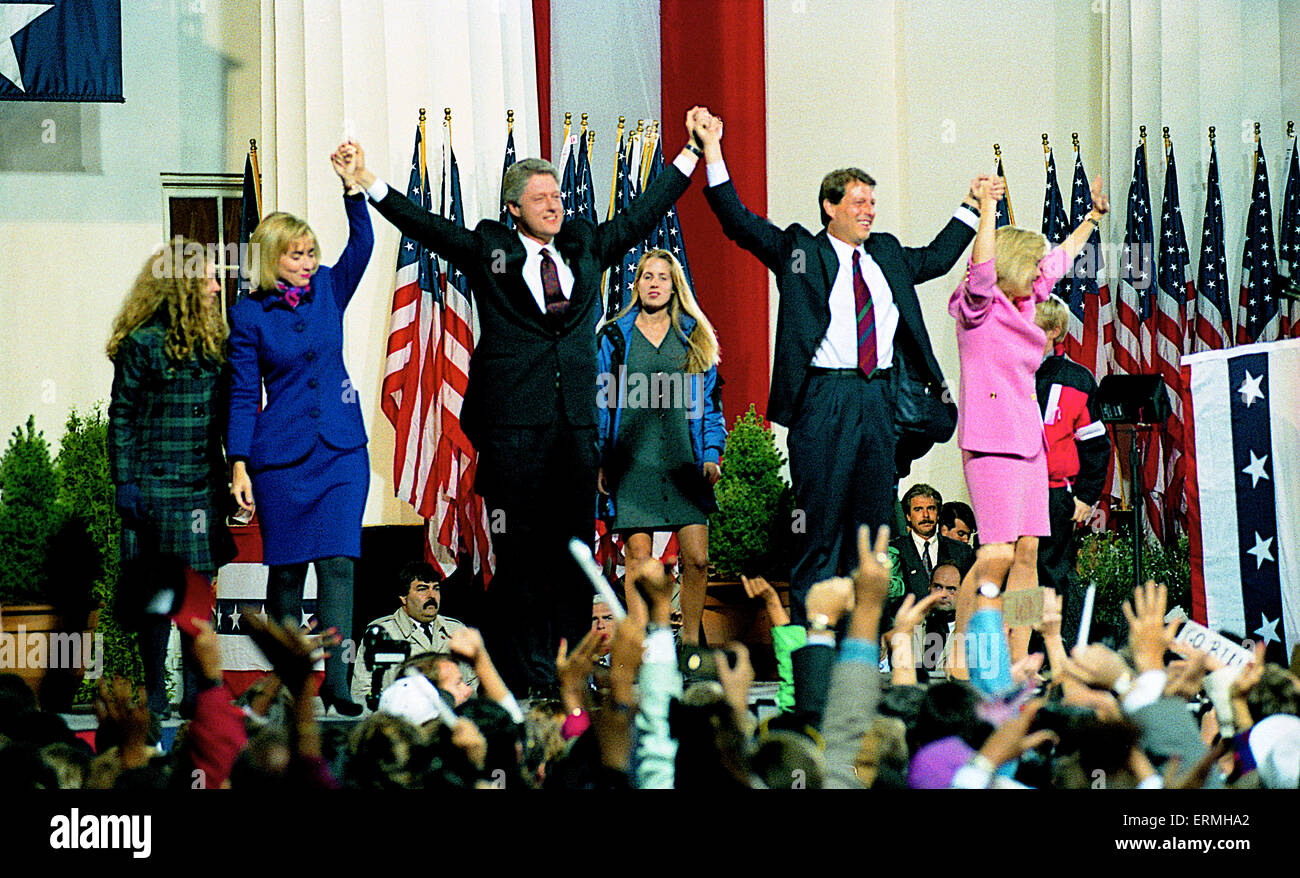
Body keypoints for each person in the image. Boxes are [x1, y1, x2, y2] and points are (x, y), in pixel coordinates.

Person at [340, 109, 710, 697]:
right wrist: (370, 183)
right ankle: (520, 677)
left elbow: (642, 217)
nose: (554, 204)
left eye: (557, 195)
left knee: (572, 557)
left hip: (574, 433)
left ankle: (568, 674)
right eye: (540, 197)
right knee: (519, 564)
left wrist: (690, 153)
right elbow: (430, 227)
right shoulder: (490, 246)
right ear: (514, 207)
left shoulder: (584, 243)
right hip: (513, 430)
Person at [696, 113, 985, 623]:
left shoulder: (888, 254)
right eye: (857, 202)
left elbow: (938, 258)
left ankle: (863, 650)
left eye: (872, 202)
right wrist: (712, 150)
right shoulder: (799, 251)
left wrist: (973, 204)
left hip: (879, 402)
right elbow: (737, 221)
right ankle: (816, 652)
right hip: (824, 401)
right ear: (829, 207)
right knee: (821, 533)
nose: (868, 211)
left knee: (871, 537)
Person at [227, 145, 375, 716]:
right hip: (281, 458)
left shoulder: (330, 291)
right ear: (271, 259)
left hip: (340, 452)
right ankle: (293, 683)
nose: (308, 262)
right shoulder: (249, 315)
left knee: (339, 564)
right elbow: (243, 393)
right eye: (296, 256)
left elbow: (361, 245)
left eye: (311, 252)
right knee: (286, 571)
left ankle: (338, 683)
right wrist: (238, 462)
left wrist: (351, 190)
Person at [949, 174, 1108, 659]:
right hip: (991, 443)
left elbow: (1060, 259)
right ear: (1012, 263)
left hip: (1029, 446)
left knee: (1027, 555)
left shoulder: (1027, 304)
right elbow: (981, 269)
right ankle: (968, 653)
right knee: (994, 554)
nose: (1041, 269)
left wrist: (1092, 220)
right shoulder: (977, 306)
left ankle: (1017, 656)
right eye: (1032, 261)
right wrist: (987, 209)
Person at [107, 243, 236, 718]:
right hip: (154, 486)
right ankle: (155, 689)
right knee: (159, 596)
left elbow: (226, 417)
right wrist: (126, 481)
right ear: (181, 285)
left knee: (197, 594)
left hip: (200, 486)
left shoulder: (216, 339)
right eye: (208, 278)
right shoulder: (142, 342)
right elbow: (121, 415)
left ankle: (197, 691)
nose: (218, 286)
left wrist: (237, 473)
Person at [596, 248, 725, 646]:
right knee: (638, 560)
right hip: (632, 463)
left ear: (674, 286)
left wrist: (710, 454)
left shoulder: (693, 335)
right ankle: (642, 646)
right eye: (648, 277)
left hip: (683, 463)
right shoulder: (614, 337)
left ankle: (688, 646)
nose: (654, 284)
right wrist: (600, 458)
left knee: (698, 559)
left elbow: (710, 403)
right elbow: (601, 401)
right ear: (636, 285)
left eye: (662, 277)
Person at [1033, 297, 1111, 642]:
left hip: (1055, 495)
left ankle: (1055, 646)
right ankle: (1025, 644)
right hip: (1015, 489)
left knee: (1053, 570)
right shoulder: (1009, 370)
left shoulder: (1077, 379)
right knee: (1021, 569)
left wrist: (1085, 495)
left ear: (1054, 331)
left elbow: (1095, 444)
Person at [350, 562, 478, 709]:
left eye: (436, 589)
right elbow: (362, 692)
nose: (432, 596)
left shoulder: (456, 630)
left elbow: (471, 685)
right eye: (422, 589)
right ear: (403, 597)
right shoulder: (381, 633)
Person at [890, 483, 973, 607]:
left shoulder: (961, 551)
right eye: (918, 509)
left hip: (950, 624)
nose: (926, 515)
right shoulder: (895, 550)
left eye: (931, 508)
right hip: (913, 624)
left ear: (938, 514)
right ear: (908, 516)